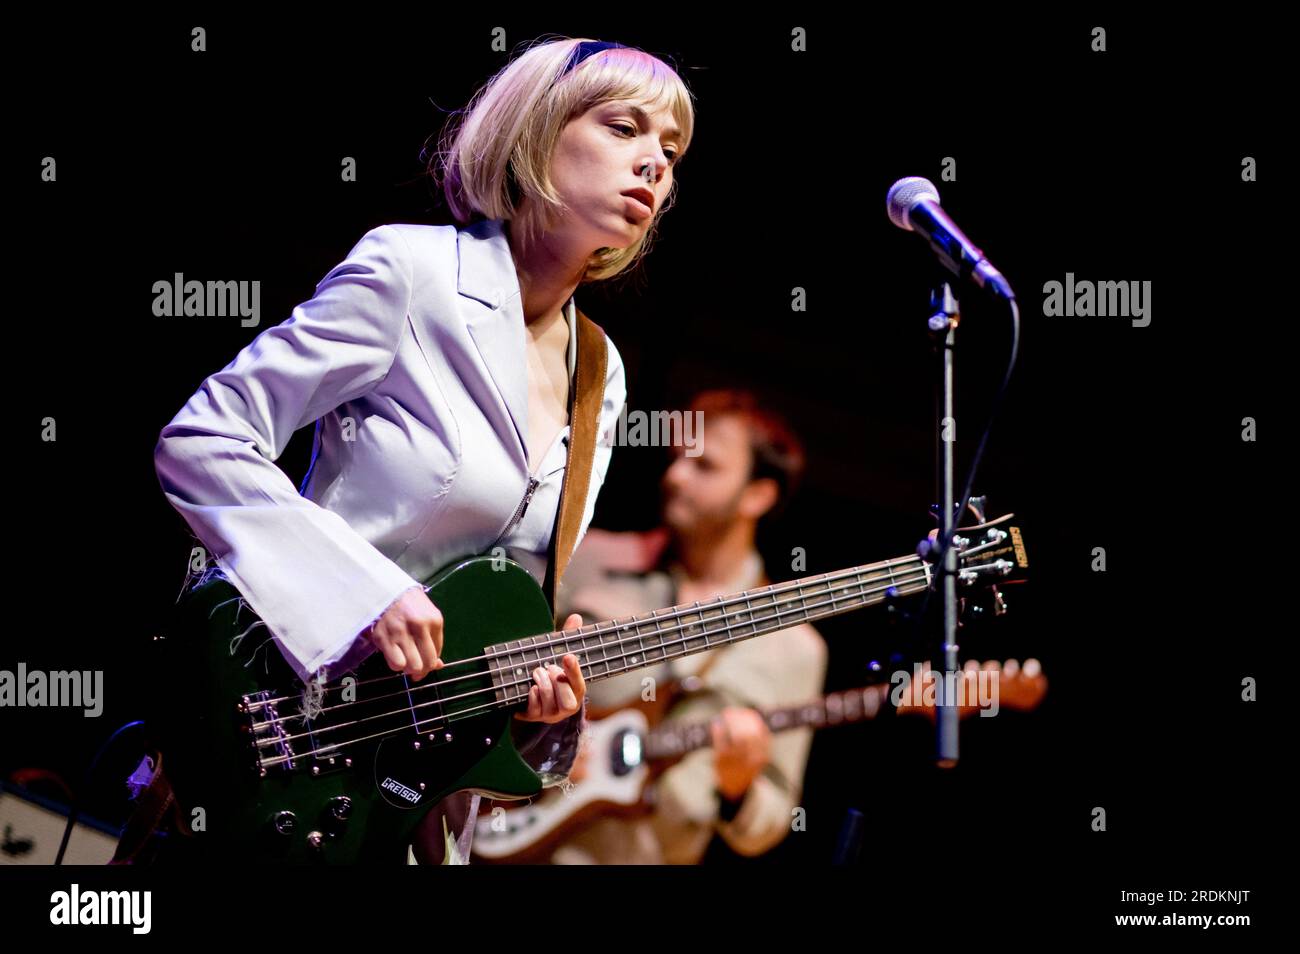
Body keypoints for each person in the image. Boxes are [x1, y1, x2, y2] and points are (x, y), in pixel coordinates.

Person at [147, 37, 696, 864]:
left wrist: (535, 712)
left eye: (671, 148)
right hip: (271, 740)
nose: (654, 161)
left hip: (405, 818)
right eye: (625, 128)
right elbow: (204, 439)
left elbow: (500, 605)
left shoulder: (601, 374)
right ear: (539, 132)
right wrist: (363, 594)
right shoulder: (413, 272)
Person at [542, 389, 828, 864]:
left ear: (758, 495)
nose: (675, 476)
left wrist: (738, 787)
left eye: (705, 466)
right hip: (513, 844)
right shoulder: (588, 558)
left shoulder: (795, 648)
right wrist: (542, 751)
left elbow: (770, 823)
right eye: (677, 458)